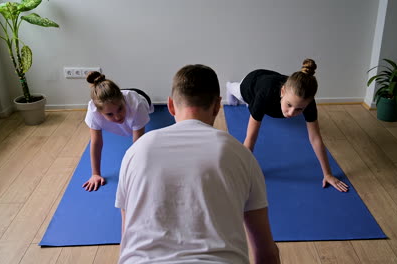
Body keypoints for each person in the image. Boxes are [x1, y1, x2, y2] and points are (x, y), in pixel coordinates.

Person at [115, 64, 280, 263]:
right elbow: (265, 252)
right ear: (217, 106)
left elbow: (127, 239)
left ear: (170, 105)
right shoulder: (240, 154)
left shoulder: (136, 151)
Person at [226, 59, 349, 192]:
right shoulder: (265, 95)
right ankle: (229, 86)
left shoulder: (307, 102)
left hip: (272, 82)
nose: (291, 113)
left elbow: (315, 138)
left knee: (263, 108)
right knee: (241, 95)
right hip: (252, 83)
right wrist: (241, 172)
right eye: (289, 105)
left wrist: (328, 174)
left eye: (299, 109)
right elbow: (250, 138)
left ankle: (264, 105)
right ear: (283, 91)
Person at [83, 71, 154, 191]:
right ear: (99, 112)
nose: (117, 117)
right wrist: (95, 173)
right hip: (116, 97)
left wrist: (136, 173)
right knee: (113, 104)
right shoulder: (93, 111)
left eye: (120, 109)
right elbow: (96, 143)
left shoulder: (136, 105)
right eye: (110, 114)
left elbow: (138, 144)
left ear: (123, 101)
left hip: (141, 96)